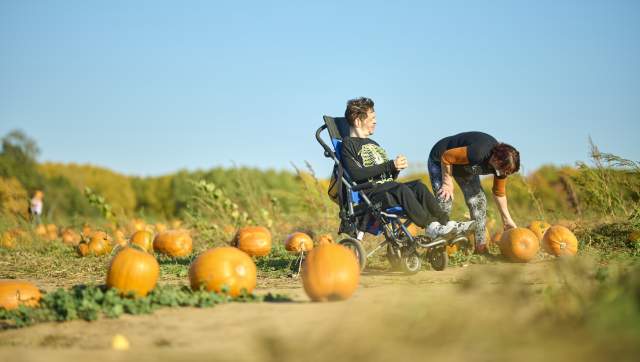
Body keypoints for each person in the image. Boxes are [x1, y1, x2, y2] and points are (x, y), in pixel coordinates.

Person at [340, 97, 473, 238]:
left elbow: (387, 176)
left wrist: (395, 169)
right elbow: (355, 174)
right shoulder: (348, 145)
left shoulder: (374, 143)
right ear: (358, 121)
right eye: (372, 118)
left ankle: (446, 222)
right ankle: (430, 226)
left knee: (418, 186)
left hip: (388, 188)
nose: (375, 121)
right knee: (401, 189)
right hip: (372, 194)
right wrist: (390, 165)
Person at [428, 132, 520, 253]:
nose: (504, 174)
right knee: (445, 200)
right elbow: (447, 157)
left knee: (479, 202)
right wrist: (447, 183)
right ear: (496, 159)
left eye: (507, 172)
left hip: (464, 166)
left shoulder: (503, 168)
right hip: (441, 158)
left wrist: (506, 218)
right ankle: (435, 249)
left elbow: (499, 193)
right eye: (504, 170)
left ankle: (480, 248)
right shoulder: (478, 152)